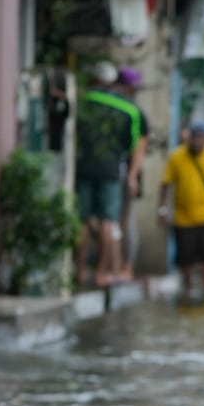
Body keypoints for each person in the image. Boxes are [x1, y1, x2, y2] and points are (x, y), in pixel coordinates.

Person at [74, 61, 140, 287]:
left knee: (81, 219)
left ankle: (79, 272)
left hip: (82, 167)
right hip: (110, 170)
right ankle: (101, 273)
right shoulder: (128, 108)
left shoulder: (82, 100)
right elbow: (132, 144)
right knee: (107, 221)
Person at [159, 122, 204, 302]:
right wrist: (162, 210)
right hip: (183, 218)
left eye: (201, 138)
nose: (198, 142)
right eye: (195, 137)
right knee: (185, 257)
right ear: (189, 138)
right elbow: (165, 184)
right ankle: (188, 288)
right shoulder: (176, 157)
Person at [112, 66, 150, 282]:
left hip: (127, 174)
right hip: (110, 172)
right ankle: (116, 266)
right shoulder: (113, 108)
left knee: (126, 222)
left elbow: (140, 147)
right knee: (111, 221)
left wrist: (132, 176)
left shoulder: (135, 112)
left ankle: (127, 267)